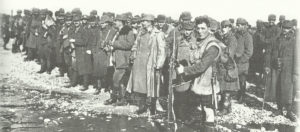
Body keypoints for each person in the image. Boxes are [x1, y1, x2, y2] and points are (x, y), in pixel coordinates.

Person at [176, 17, 221, 128]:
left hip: (208, 83)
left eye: (203, 28)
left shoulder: (212, 46)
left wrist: (185, 70)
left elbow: (202, 66)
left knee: (208, 110)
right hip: (198, 81)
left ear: (209, 29)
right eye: (198, 28)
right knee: (201, 108)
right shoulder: (200, 42)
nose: (200, 31)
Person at [127, 14, 166, 115]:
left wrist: (159, 63)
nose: (142, 23)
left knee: (152, 86)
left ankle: (153, 107)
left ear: (150, 22)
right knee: (140, 86)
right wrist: (133, 54)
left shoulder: (158, 34)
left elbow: (162, 51)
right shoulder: (141, 32)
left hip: (150, 63)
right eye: (142, 21)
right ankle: (142, 106)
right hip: (139, 62)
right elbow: (135, 45)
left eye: (144, 21)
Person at [267, 20, 297, 122]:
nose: (285, 30)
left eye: (287, 28)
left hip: (289, 70)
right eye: (284, 28)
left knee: (289, 91)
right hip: (277, 69)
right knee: (278, 88)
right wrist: (273, 61)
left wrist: (296, 73)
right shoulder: (277, 39)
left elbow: (297, 58)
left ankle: (289, 111)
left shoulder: (294, 41)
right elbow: (270, 52)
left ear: (291, 29)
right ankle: (279, 109)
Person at [104, 14, 134, 106]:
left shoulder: (129, 31)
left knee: (118, 79)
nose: (114, 22)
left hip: (123, 60)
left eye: (116, 21)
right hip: (117, 59)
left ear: (121, 22)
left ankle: (119, 99)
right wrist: (110, 46)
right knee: (118, 80)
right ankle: (118, 98)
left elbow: (129, 45)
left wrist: (114, 43)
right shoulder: (118, 31)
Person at [217, 20, 239, 115]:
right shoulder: (223, 37)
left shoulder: (232, 39)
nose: (223, 28)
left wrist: (219, 56)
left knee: (227, 89)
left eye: (226, 27)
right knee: (223, 88)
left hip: (228, 66)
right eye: (222, 26)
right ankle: (226, 107)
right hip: (223, 66)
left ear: (230, 28)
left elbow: (229, 54)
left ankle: (225, 109)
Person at [67, 11, 93, 91]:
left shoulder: (84, 29)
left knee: (84, 68)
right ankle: (73, 82)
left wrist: (74, 40)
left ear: (80, 21)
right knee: (75, 67)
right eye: (74, 21)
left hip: (82, 51)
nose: (76, 23)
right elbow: (70, 36)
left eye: (77, 21)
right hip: (75, 51)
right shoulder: (73, 29)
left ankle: (85, 85)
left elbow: (85, 41)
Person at [87, 15, 108, 95]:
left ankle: (107, 86)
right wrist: (94, 51)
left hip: (105, 53)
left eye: (103, 23)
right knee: (97, 71)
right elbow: (94, 41)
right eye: (101, 23)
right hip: (97, 52)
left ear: (107, 23)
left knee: (105, 71)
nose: (102, 24)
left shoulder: (110, 31)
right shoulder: (97, 31)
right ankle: (98, 87)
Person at [234, 18, 253, 103]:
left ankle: (241, 96)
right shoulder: (235, 34)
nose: (237, 27)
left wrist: (241, 60)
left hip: (243, 63)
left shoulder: (248, 36)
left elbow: (249, 52)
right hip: (235, 60)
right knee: (235, 78)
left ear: (244, 26)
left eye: (239, 25)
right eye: (237, 25)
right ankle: (236, 94)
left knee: (242, 80)